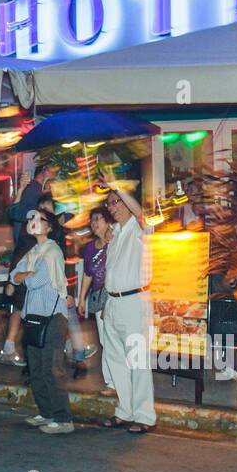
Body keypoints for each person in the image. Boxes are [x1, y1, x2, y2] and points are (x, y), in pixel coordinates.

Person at [99, 184, 156, 433]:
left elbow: (142, 215)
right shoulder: (116, 233)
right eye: (110, 203)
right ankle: (125, 410)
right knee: (116, 360)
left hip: (134, 301)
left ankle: (144, 414)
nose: (113, 207)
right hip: (113, 302)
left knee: (137, 359)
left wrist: (119, 187)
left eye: (116, 202)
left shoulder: (139, 229)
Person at [13, 210, 74, 433]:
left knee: (52, 369)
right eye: (31, 219)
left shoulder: (52, 251)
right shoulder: (33, 252)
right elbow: (13, 275)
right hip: (33, 318)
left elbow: (34, 281)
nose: (33, 222)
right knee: (36, 368)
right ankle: (46, 412)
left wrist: (25, 275)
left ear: (49, 227)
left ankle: (63, 419)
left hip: (53, 318)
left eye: (39, 219)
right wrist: (25, 274)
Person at [78, 205, 114, 392]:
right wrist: (81, 299)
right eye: (92, 220)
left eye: (98, 219)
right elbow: (88, 275)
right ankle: (111, 382)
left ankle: (119, 381)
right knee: (105, 341)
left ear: (108, 221)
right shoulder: (90, 248)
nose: (94, 223)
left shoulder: (116, 242)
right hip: (99, 299)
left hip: (115, 298)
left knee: (115, 340)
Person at [9, 161, 58, 243]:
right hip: (28, 239)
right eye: (54, 172)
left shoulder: (36, 189)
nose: (55, 176)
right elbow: (19, 214)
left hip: (29, 238)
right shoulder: (33, 189)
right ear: (45, 171)